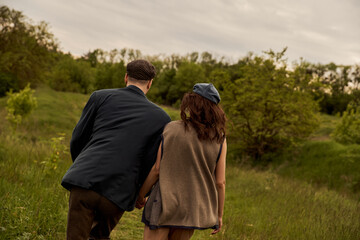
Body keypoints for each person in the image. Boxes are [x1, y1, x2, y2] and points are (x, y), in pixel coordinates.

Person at [61, 59, 171, 240]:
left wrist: (82, 167)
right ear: (150, 83)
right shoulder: (161, 118)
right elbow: (151, 161)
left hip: (85, 180)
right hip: (119, 192)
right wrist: (140, 193)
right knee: (99, 237)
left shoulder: (100, 97)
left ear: (126, 77)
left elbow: (78, 137)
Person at [136, 83, 227, 240]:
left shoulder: (171, 129)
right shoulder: (219, 139)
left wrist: (140, 195)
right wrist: (218, 216)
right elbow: (220, 182)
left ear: (191, 103)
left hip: (163, 203)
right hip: (191, 210)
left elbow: (157, 170)